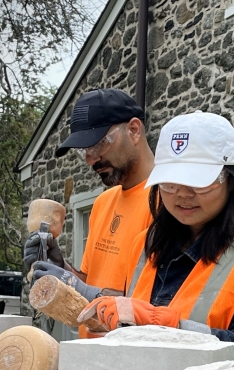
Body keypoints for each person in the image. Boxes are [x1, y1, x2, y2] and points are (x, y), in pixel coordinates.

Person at [78, 111, 234, 358]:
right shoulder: (144, 244)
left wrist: (170, 328)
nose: (183, 194)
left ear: (230, 178)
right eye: (170, 184)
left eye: (198, 183)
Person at [23, 88, 155, 339]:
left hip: (132, 361)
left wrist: (77, 286)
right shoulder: (103, 202)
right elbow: (91, 280)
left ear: (134, 130)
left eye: (98, 143)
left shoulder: (169, 204)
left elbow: (154, 308)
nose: (90, 159)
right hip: (90, 357)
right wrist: (62, 268)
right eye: (84, 149)